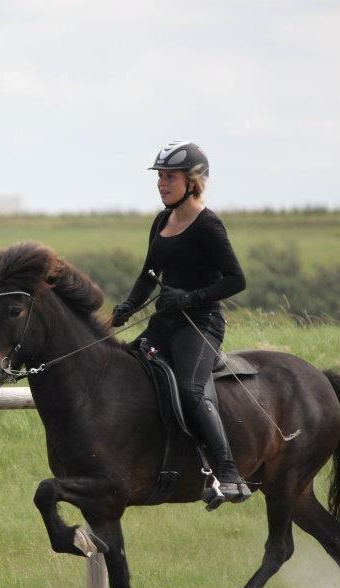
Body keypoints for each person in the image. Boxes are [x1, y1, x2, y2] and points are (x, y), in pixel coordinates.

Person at [111, 140, 251, 510]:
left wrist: (191, 298)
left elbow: (236, 280)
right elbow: (149, 274)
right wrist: (128, 305)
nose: (161, 183)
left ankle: (228, 471)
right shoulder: (162, 220)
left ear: (192, 181)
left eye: (169, 177)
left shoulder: (208, 225)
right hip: (164, 322)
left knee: (191, 391)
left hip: (200, 324)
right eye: (159, 177)